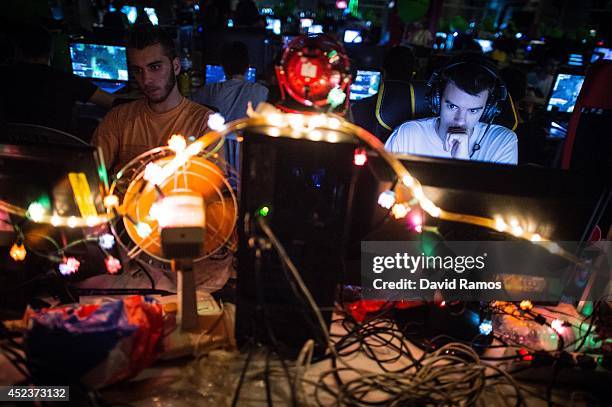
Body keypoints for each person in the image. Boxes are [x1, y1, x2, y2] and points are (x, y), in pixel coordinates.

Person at [92, 25, 214, 175]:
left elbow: (211, 189)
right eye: (138, 70)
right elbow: (90, 173)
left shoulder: (204, 122)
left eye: (155, 67)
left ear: (176, 67)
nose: (146, 79)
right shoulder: (118, 119)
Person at [385, 56, 518, 165]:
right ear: (436, 100)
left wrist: (462, 162)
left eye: (473, 111)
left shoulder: (502, 142)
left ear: (488, 109)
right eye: (452, 106)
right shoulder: (407, 135)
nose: (460, 120)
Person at [0, 23, 115, 135]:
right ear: (51, 52)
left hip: (12, 150)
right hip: (61, 150)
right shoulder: (67, 80)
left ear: (17, 51)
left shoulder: (5, 76)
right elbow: (113, 102)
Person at [193, 41, 268, 122]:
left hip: (216, 134)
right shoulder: (262, 92)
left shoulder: (207, 91)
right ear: (248, 67)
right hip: (247, 134)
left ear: (222, 66)